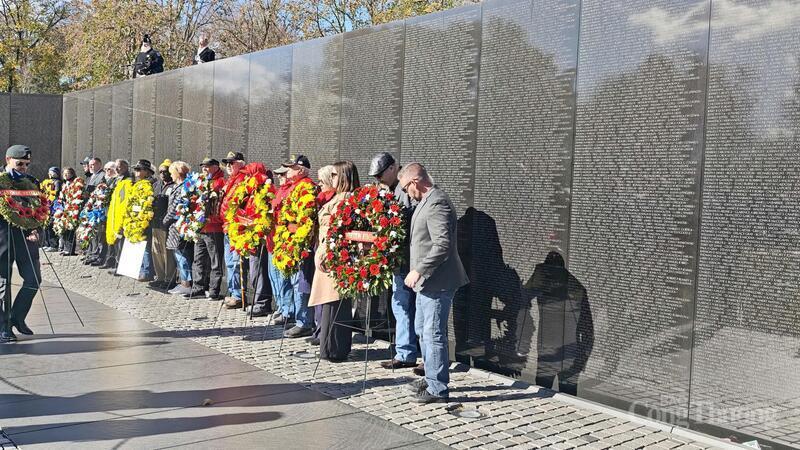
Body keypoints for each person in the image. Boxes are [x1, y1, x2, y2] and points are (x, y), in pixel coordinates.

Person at [399, 163, 469, 404]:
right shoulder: (426, 201)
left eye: (406, 188)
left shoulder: (437, 202)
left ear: (415, 182)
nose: (406, 194)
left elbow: (442, 245)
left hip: (437, 281)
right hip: (426, 284)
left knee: (433, 334)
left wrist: (419, 270)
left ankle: (438, 388)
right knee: (423, 330)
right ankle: (431, 377)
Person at [370, 152, 420, 370]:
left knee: (411, 307)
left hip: (410, 259)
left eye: (380, 175)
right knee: (400, 305)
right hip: (398, 260)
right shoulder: (388, 189)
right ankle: (405, 352)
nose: (378, 180)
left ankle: (412, 353)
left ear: (392, 168)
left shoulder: (405, 189)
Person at [309, 161, 359, 361]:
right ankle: (330, 346)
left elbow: (336, 230)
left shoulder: (345, 199)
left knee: (335, 301)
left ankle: (334, 348)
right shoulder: (338, 197)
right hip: (328, 253)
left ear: (345, 176)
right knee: (330, 302)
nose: (332, 178)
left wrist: (323, 253)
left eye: (335, 175)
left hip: (334, 257)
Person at [0, 145, 42, 342]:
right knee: (3, 283)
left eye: (26, 164)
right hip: (3, 239)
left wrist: (36, 230)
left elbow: (40, 211)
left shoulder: (32, 182)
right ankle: (3, 326)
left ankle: (17, 317)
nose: (24, 168)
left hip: (26, 239)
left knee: (33, 280)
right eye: (19, 164)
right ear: (8, 160)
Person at [185, 157, 225, 300]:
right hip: (200, 227)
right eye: (203, 166)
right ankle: (198, 288)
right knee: (198, 259)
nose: (204, 169)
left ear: (216, 167)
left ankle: (214, 290)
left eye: (207, 166)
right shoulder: (200, 181)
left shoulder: (220, 182)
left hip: (214, 227)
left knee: (215, 261)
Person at [307, 165, 336, 342]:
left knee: (325, 294)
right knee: (318, 292)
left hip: (327, 250)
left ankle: (322, 331)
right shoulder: (321, 198)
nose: (318, 184)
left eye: (321, 181)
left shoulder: (335, 200)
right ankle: (319, 329)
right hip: (319, 246)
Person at [265, 165, 293, 325]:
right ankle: (281, 307)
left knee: (283, 279)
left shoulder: (290, 190)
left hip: (282, 240)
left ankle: (288, 310)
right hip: (272, 239)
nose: (280, 177)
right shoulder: (278, 191)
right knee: (274, 277)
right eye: (278, 175)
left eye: (283, 174)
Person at [220, 152, 248, 309]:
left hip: (237, 228)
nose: (229, 166)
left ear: (241, 164)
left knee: (236, 263)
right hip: (227, 226)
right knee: (229, 262)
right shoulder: (230, 180)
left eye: (232, 163)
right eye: (227, 163)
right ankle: (233, 292)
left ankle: (238, 295)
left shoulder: (243, 180)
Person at [165, 161, 194, 296]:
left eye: (172, 172)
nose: (170, 175)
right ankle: (183, 281)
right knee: (179, 255)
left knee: (182, 256)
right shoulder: (177, 186)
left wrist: (165, 220)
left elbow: (175, 207)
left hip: (178, 226)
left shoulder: (183, 187)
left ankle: (186, 284)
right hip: (174, 226)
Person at [149, 159, 177, 289]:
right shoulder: (156, 185)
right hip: (155, 222)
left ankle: (168, 278)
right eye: (160, 172)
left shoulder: (173, 186)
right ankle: (159, 276)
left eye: (165, 171)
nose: (163, 174)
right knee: (156, 251)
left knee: (167, 253)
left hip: (167, 224)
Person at [84, 161, 117, 266]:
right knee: (99, 235)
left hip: (108, 212)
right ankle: (97, 255)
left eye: (109, 169)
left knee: (105, 237)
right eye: (106, 169)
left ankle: (106, 258)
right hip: (99, 211)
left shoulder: (115, 181)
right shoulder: (104, 180)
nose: (107, 171)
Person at [103, 159, 133, 271]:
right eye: (116, 166)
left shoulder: (128, 181)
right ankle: (114, 262)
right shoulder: (118, 180)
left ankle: (120, 266)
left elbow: (124, 200)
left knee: (121, 243)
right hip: (114, 214)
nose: (116, 169)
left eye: (119, 166)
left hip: (122, 215)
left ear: (126, 167)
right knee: (115, 241)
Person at [131, 160, 157, 282]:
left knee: (145, 245)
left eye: (138, 169)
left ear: (146, 172)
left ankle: (147, 272)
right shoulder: (137, 184)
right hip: (136, 216)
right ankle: (141, 269)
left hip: (146, 218)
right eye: (135, 169)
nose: (136, 172)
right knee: (139, 243)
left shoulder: (151, 184)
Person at [59, 167, 80, 256]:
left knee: (70, 229)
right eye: (64, 173)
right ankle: (66, 248)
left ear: (72, 174)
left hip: (72, 208)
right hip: (64, 208)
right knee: (65, 230)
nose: (65, 175)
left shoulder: (75, 183)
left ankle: (70, 250)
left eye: (67, 173)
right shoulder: (64, 184)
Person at [40, 167, 62, 251]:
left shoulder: (57, 182)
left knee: (51, 225)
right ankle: (47, 243)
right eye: (49, 172)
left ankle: (53, 245)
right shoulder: (47, 181)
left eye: (52, 172)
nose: (50, 174)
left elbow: (56, 193)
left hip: (53, 205)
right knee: (46, 225)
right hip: (46, 204)